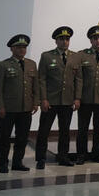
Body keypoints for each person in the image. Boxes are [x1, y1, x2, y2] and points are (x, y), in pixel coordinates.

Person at [0, 34, 39, 173]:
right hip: (8, 108)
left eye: (24, 47)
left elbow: (35, 86)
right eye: (18, 47)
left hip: (26, 108)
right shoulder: (3, 65)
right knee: (4, 137)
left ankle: (17, 162)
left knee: (22, 138)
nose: (22, 50)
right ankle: (3, 163)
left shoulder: (31, 64)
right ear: (12, 49)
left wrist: (35, 103)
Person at [35, 26, 80, 168]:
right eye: (61, 39)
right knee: (44, 131)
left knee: (65, 131)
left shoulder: (75, 57)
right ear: (56, 41)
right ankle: (41, 159)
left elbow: (78, 79)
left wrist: (77, 98)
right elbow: (41, 79)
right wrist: (43, 99)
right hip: (51, 100)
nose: (65, 42)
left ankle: (63, 157)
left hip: (67, 100)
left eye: (67, 39)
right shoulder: (47, 56)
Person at [72, 25, 99, 164]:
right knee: (82, 129)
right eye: (95, 38)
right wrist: (77, 98)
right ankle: (81, 155)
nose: (98, 41)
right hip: (85, 99)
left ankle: (96, 154)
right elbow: (78, 78)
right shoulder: (82, 55)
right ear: (90, 40)